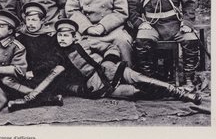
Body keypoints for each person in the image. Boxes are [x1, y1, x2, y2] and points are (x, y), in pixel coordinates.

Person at [55, 19, 201, 104]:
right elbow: (66, 82)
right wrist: (82, 90)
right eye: (60, 35)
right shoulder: (60, 57)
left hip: (113, 69)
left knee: (142, 79)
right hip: (98, 85)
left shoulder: (86, 42)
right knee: (136, 93)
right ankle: (170, 96)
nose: (61, 38)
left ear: (74, 37)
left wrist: (109, 61)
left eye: (65, 35)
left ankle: (183, 94)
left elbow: (110, 47)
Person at [128, 0, 200, 91]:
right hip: (152, 25)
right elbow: (132, 6)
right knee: (142, 40)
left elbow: (189, 4)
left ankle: (188, 80)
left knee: (190, 39)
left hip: (174, 24)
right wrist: (140, 23)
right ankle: (150, 81)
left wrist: (186, 23)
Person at [65, 0, 133, 66]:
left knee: (123, 41)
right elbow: (72, 11)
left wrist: (102, 26)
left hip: (111, 30)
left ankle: (126, 72)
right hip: (86, 30)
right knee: (73, 43)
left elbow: (121, 12)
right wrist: (88, 28)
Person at [2, 2, 65, 112]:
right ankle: (47, 99)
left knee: (59, 69)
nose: (30, 23)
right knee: (5, 80)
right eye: (28, 19)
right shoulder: (20, 38)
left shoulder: (50, 37)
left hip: (44, 77)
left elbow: (54, 60)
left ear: (42, 21)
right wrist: (24, 72)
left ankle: (23, 103)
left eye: (34, 20)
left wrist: (35, 72)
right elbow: (15, 59)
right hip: (25, 77)